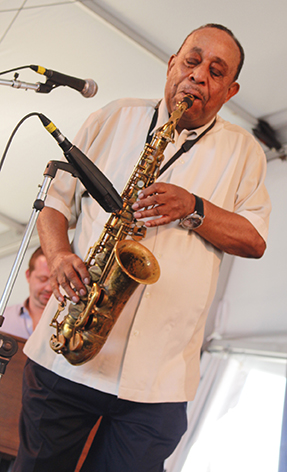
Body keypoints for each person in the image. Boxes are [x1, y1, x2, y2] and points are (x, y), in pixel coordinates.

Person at [13, 24, 271, 472]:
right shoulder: (113, 116)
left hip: (158, 384)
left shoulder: (245, 152)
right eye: (192, 61)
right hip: (68, 357)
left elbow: (253, 239)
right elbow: (55, 201)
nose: (198, 77)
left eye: (215, 71)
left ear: (230, 91)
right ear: (172, 64)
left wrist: (194, 207)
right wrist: (57, 256)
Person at [1, 246, 52, 339]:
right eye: (42, 279)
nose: (49, 288)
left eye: (56, 281)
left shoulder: (72, 323)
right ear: (28, 275)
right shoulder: (5, 317)